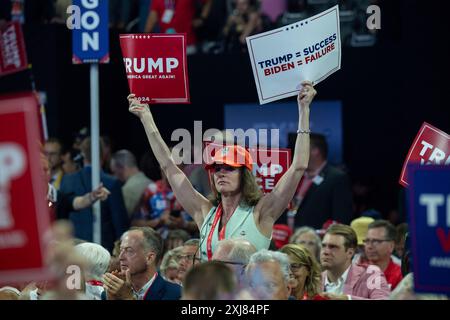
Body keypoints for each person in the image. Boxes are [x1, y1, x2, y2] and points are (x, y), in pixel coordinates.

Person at [128, 81, 316, 261]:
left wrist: (304, 110)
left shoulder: (262, 212)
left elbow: (298, 166)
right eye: (217, 168)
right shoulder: (205, 212)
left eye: (229, 168)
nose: (221, 173)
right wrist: (146, 117)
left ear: (244, 175)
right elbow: (169, 167)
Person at [59, 138, 129, 252]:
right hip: (103, 252)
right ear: (104, 154)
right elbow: (120, 225)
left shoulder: (67, 180)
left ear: (82, 154)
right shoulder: (111, 183)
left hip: (72, 250)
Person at [284, 133, 353, 229]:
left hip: (318, 240)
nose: (296, 153)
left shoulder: (337, 178)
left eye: (301, 149)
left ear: (315, 151)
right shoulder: (294, 176)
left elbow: (341, 217)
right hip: (290, 237)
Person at [102, 227, 181, 300]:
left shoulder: (176, 294)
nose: (120, 257)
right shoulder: (110, 293)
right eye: (121, 250)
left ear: (149, 258)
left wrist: (128, 298)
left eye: (129, 250)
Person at [320, 224, 390, 300]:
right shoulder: (314, 280)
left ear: (350, 253)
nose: (325, 252)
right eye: (323, 246)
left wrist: (348, 299)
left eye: (333, 247)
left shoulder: (371, 274)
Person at [110, 149, 153, 217]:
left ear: (121, 168)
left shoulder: (127, 190)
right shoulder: (151, 183)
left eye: (114, 172)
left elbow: (124, 217)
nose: (114, 176)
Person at [364, 220, 403, 290]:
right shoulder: (356, 273)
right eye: (367, 241)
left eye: (376, 241)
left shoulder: (401, 276)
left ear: (391, 246)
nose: (369, 246)